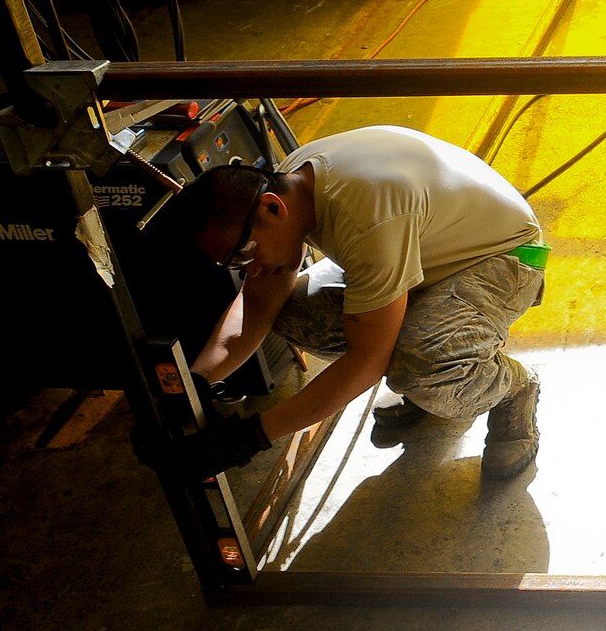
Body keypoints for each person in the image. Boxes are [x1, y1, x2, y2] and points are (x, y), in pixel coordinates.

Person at [152, 125, 548, 482]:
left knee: (420, 365)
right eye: (233, 263)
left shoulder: (367, 217)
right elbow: (257, 306)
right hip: (424, 251)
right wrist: (196, 384)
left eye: (245, 253)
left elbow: (366, 361)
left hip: (503, 256)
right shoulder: (295, 180)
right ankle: (431, 364)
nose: (248, 270)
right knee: (292, 312)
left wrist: (250, 437)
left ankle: (512, 386)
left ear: (273, 207)